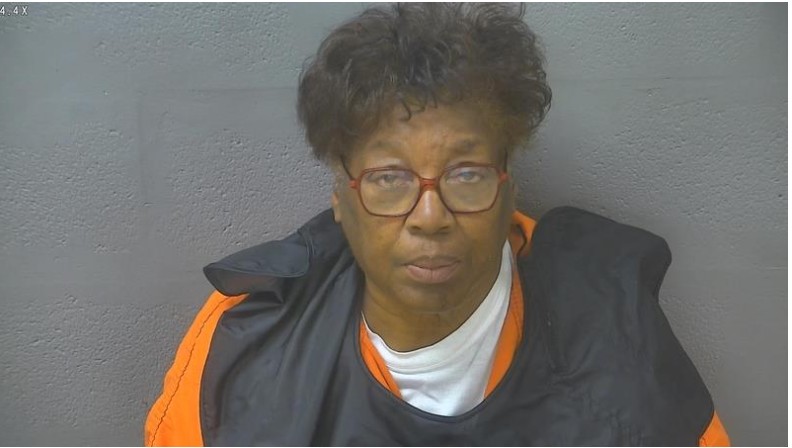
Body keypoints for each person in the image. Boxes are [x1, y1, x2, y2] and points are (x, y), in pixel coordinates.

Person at [145, 3, 730, 446]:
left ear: (508, 187)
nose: (430, 217)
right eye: (389, 178)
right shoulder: (251, 335)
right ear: (341, 198)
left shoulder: (611, 323)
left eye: (466, 174)